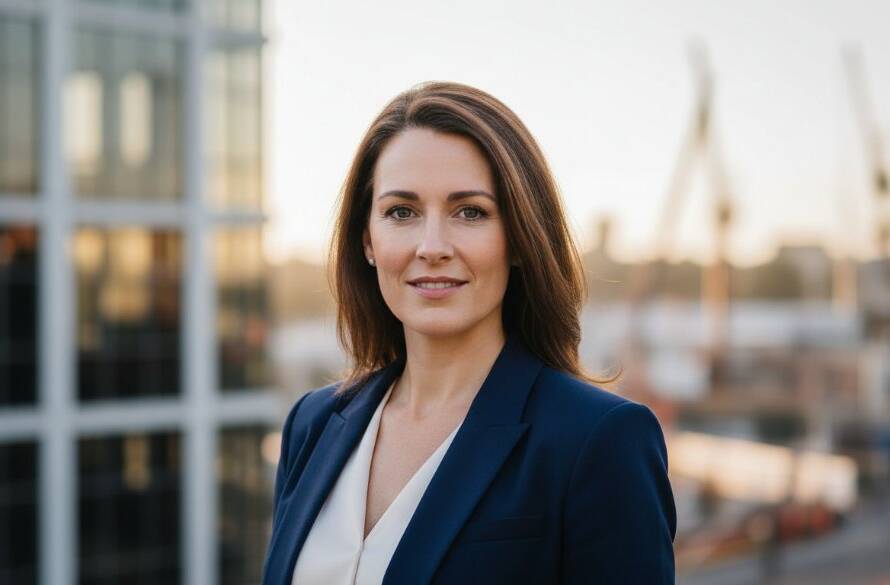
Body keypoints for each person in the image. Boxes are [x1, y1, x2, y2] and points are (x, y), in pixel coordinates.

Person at [262, 81, 677, 585]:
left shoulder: (598, 440)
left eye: (470, 212)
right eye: (402, 212)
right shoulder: (313, 423)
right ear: (367, 239)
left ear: (520, 239)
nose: (432, 245)